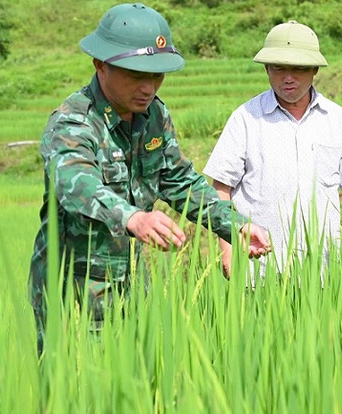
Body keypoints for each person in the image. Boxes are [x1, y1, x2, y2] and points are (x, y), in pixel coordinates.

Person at [27, 3, 270, 355]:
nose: (149, 87)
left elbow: (178, 179)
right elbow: (75, 183)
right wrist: (134, 217)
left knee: (132, 387)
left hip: (129, 280)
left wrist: (233, 224)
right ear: (101, 65)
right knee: (73, 395)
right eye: (137, 74)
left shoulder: (154, 114)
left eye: (157, 76)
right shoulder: (74, 122)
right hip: (73, 286)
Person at [202, 21, 342, 277]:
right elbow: (221, 189)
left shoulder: (337, 120)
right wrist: (228, 251)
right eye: (279, 68)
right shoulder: (245, 118)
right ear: (266, 69)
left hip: (323, 269)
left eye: (298, 69)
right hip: (259, 270)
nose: (288, 78)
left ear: (315, 70)